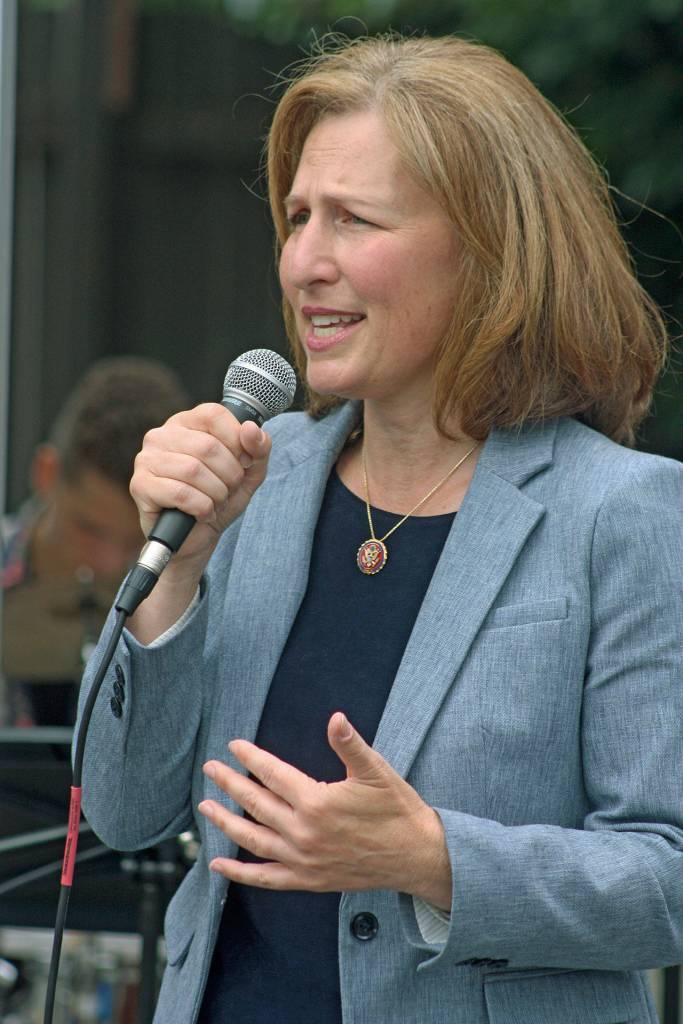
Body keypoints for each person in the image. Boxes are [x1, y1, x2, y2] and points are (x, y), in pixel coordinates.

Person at [77, 34, 683, 1024]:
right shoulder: (250, 483)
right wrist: (176, 575)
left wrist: (432, 860)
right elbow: (122, 808)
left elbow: (663, 881)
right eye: (298, 216)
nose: (304, 261)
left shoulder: (620, 514)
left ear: (490, 247)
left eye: (354, 220)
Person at [1, 356, 189, 726]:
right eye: (90, 529)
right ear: (46, 473)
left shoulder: (188, 602)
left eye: (138, 539)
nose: (110, 563)